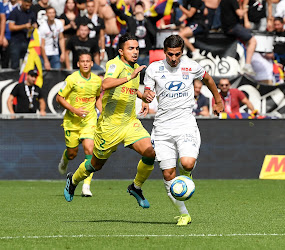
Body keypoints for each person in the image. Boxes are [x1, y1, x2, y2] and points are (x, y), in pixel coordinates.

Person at [63, 33, 156, 209]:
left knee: (150, 152)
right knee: (95, 165)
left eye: (137, 48)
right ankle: (73, 180)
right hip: (109, 125)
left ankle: (136, 187)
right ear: (121, 51)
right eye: (130, 48)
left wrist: (143, 96)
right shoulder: (115, 64)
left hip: (130, 122)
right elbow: (106, 84)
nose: (135, 52)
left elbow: (131, 88)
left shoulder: (134, 67)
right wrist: (130, 76)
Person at [142, 35, 224, 226]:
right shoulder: (154, 69)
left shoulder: (191, 66)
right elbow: (147, 91)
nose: (173, 58)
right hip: (162, 128)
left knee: (186, 163)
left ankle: (187, 177)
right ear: (164, 52)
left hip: (185, 124)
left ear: (182, 52)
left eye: (177, 54)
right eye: (170, 54)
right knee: (168, 175)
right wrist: (146, 97)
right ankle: (184, 214)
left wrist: (218, 100)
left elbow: (209, 79)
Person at [56, 50, 102, 197]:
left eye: (88, 61)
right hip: (72, 122)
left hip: (89, 121)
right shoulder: (71, 79)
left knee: (90, 151)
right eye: (83, 61)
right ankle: (65, 159)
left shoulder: (97, 80)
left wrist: (102, 112)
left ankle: (86, 186)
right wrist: (74, 110)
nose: (85, 64)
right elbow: (59, 97)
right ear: (78, 64)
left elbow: (97, 98)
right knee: (72, 153)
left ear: (92, 63)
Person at [110, 0, 156, 66]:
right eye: (137, 8)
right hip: (134, 53)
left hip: (146, 53)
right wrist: (113, 5)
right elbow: (119, 14)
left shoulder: (148, 21)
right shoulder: (131, 20)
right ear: (134, 11)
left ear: (143, 10)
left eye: (141, 8)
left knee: (145, 73)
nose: (139, 9)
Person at [220, 0, 257, 76]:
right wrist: (245, 8)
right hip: (233, 27)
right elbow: (240, 13)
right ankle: (247, 65)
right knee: (253, 41)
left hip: (226, 27)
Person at [8, 0, 37, 69]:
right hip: (16, 42)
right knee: (15, 64)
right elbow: (11, 27)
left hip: (28, 41)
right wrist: (24, 26)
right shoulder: (14, 12)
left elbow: (34, 23)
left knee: (28, 64)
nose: (28, 5)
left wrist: (34, 26)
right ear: (22, 2)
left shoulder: (31, 13)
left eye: (30, 3)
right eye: (27, 2)